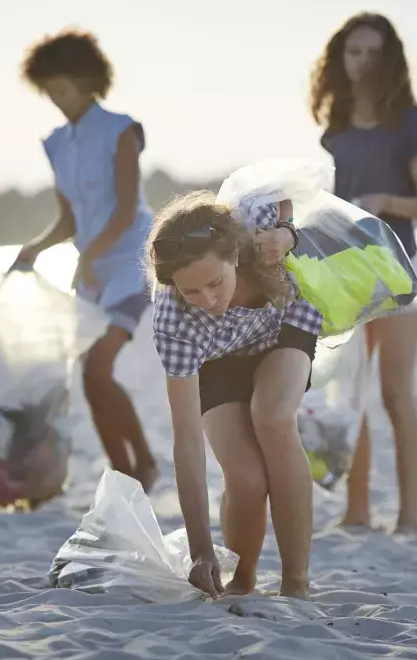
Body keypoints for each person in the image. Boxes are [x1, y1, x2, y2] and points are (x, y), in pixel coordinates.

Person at [146, 190, 320, 600]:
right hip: (218, 359)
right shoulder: (172, 320)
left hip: (284, 327)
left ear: (235, 256)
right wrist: (200, 551)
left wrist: (288, 235)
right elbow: (187, 441)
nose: (208, 301)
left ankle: (296, 583)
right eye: (192, 292)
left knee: (273, 415)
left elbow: (294, 193)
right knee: (245, 476)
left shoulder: (252, 221)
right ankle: (242, 582)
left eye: (215, 283)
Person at [310, 12, 417, 533]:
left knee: (395, 394)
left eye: (373, 53)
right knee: (352, 393)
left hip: (399, 270)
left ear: (389, 60)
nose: (363, 62)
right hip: (346, 273)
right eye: (354, 52)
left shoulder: (407, 121)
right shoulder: (334, 131)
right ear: (340, 59)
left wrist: (385, 201)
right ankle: (357, 511)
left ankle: (408, 517)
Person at [12, 28, 158, 492]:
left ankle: (146, 465)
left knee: (98, 366)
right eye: (49, 92)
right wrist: (34, 246)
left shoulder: (122, 131)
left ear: (87, 80)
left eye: (63, 90)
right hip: (91, 267)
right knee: (90, 376)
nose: (57, 100)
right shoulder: (57, 143)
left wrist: (89, 256)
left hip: (132, 261)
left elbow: (126, 208)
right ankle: (125, 475)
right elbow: (69, 218)